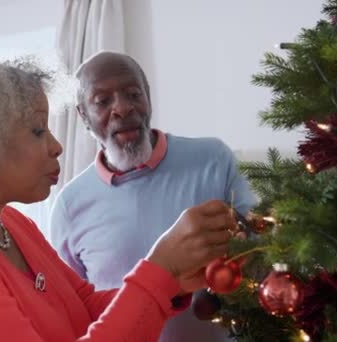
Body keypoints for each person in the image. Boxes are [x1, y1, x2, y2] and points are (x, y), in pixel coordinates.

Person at [0, 57, 239, 342]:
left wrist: (171, 279)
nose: (56, 145)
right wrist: (159, 268)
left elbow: (84, 308)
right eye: (38, 131)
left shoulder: (11, 224)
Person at [49, 51, 257, 342]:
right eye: (102, 101)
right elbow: (73, 309)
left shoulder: (213, 158)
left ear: (148, 97)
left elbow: (261, 241)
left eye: (133, 94)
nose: (123, 108)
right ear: (83, 115)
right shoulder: (69, 206)